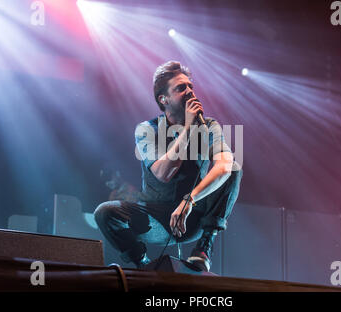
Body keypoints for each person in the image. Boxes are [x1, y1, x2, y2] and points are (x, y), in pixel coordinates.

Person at [94, 61, 242, 272]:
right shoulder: (147, 130)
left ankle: (203, 249)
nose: (190, 92)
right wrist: (188, 129)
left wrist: (189, 200)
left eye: (191, 86)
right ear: (164, 99)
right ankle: (142, 264)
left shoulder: (209, 126)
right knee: (105, 213)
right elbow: (163, 173)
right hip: (156, 219)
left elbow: (225, 167)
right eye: (181, 88)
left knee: (234, 168)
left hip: (194, 214)